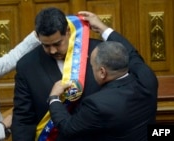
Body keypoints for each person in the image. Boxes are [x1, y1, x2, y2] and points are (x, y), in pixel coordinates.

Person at [11, 7, 147, 141]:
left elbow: (133, 70)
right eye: (46, 45)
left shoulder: (99, 53)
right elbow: (23, 118)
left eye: (57, 44)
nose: (52, 51)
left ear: (68, 32)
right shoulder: (27, 65)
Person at [48, 12, 158, 141]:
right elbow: (132, 53)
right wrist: (102, 28)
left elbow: (67, 128)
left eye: (92, 65)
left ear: (102, 72)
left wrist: (54, 98)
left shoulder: (97, 104)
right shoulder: (147, 78)